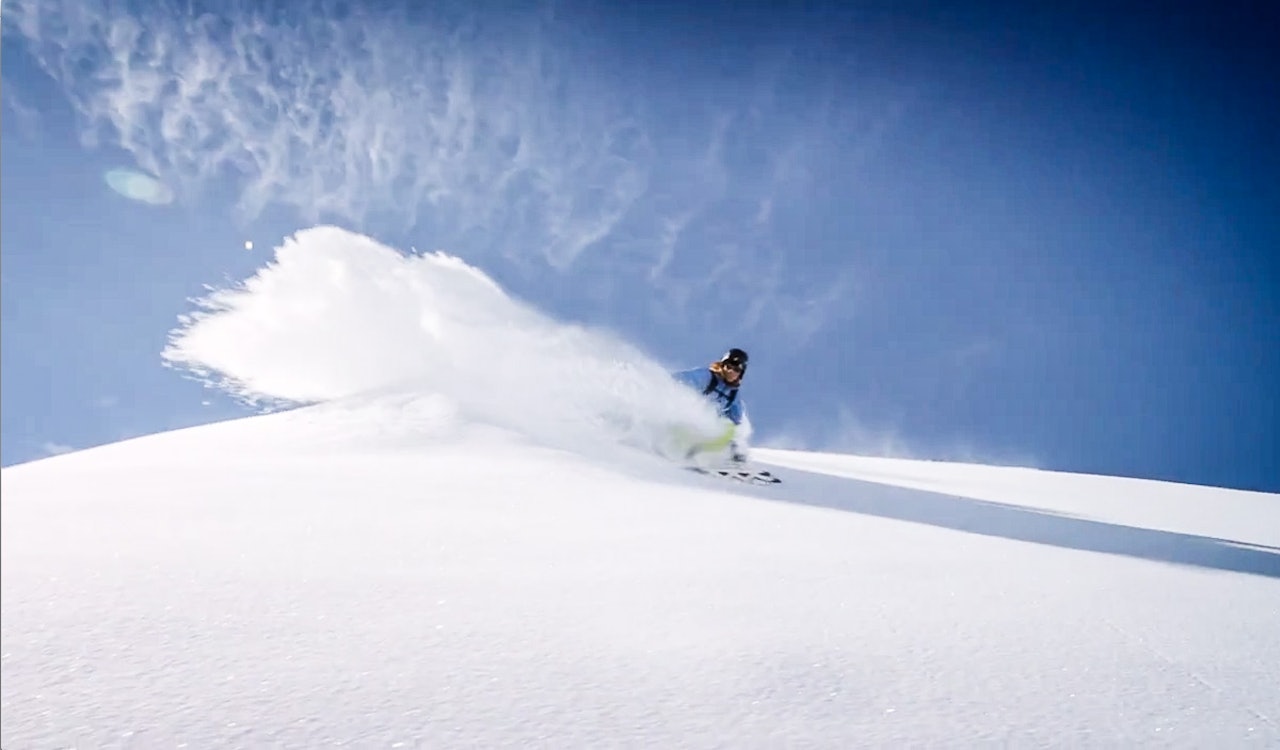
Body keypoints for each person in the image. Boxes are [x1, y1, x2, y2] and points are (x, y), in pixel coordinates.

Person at [671, 348, 750, 463]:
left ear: (740, 374)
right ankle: (676, 448)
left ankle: (719, 457)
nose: (731, 371)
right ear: (722, 365)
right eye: (729, 366)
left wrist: (735, 447)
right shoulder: (706, 377)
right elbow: (676, 380)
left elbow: (735, 423)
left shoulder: (733, 395)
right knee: (698, 420)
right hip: (685, 422)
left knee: (729, 427)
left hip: (705, 434)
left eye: (736, 369)